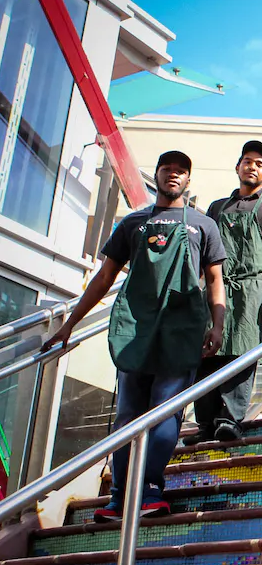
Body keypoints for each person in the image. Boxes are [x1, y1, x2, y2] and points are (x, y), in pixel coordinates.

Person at [43, 151, 226, 521]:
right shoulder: (133, 223)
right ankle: (119, 497)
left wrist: (217, 325)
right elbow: (105, 277)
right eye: (167, 169)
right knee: (127, 416)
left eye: (181, 171)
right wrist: (70, 324)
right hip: (136, 331)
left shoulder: (204, 226)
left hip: (181, 331)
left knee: (164, 413)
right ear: (157, 175)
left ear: (188, 180)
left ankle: (150, 491)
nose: (173, 175)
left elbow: (215, 281)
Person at [183, 141, 262, 445]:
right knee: (207, 351)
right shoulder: (217, 207)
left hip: (254, 288)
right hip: (216, 285)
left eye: (259, 164)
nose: (252, 167)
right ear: (237, 167)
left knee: (243, 352)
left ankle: (230, 419)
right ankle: (205, 423)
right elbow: (203, 247)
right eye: (247, 161)